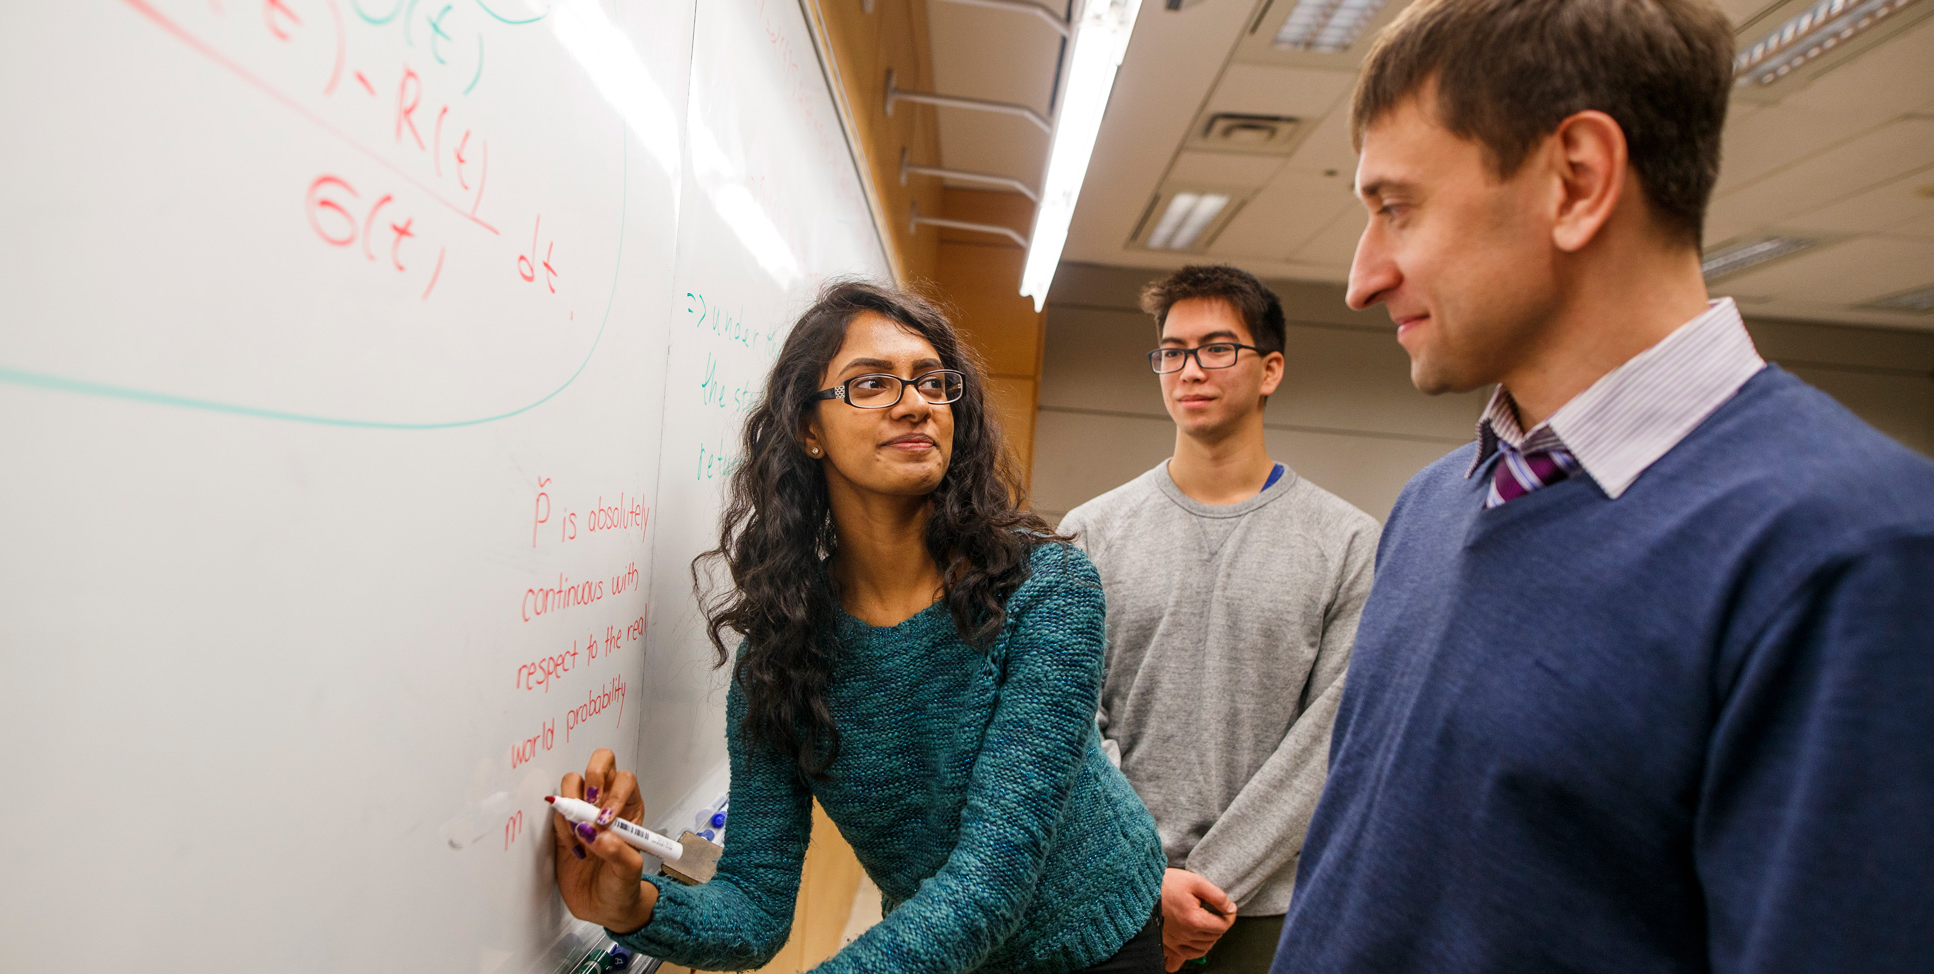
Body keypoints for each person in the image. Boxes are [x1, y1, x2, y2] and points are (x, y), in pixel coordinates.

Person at [1274, 0, 1934, 970]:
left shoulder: (1850, 552)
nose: (1360, 277)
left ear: (1575, 180)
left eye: (1395, 208)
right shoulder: (1431, 508)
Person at [549, 280, 1169, 973]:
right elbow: (754, 906)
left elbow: (990, 884)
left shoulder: (1046, 589)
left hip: (1097, 940)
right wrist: (633, 905)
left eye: (932, 383)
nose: (915, 403)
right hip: (940, 949)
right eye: (870, 383)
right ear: (809, 429)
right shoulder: (783, 654)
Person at [1060, 265, 1377, 973]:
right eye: (1172, 351)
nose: (1189, 369)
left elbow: (1330, 742)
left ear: (1270, 370)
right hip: (1111, 898)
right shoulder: (1091, 532)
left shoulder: (1350, 543)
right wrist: (1145, 878)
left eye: (1215, 348)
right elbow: (1072, 719)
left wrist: (1212, 883)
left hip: (1265, 914)